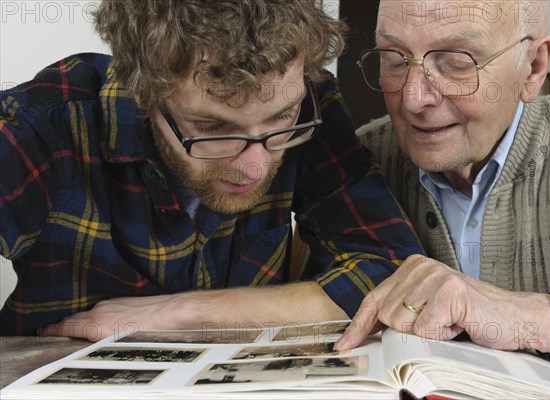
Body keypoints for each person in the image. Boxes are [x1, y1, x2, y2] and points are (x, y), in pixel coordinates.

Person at [0, 0, 424, 340]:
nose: (255, 166)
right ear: (142, 92)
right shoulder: (42, 124)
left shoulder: (312, 106)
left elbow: (392, 273)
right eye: (212, 127)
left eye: (281, 118)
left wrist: (189, 313)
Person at [337, 0, 550, 369]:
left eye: (457, 61)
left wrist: (531, 317)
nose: (413, 99)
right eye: (394, 59)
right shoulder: (359, 161)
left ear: (533, 67)